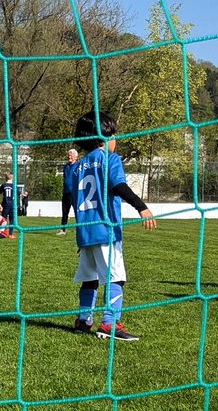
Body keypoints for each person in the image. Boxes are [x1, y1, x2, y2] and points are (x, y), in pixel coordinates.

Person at [61, 110, 156, 340]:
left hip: (86, 233)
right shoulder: (110, 159)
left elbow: (73, 199)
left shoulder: (76, 168)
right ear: (104, 138)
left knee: (90, 278)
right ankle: (109, 324)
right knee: (115, 277)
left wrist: (81, 234)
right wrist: (141, 206)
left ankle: (83, 320)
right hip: (106, 231)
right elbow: (118, 186)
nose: (116, 140)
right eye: (113, 135)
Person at [59, 149, 78, 235]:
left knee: (77, 212)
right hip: (66, 192)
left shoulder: (78, 166)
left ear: (75, 157)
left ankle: (79, 229)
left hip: (75, 193)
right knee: (64, 212)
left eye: (71, 155)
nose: (69, 157)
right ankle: (62, 229)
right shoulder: (66, 166)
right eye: (68, 155)